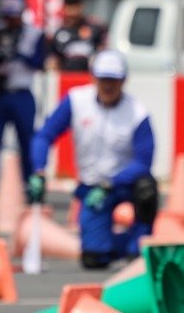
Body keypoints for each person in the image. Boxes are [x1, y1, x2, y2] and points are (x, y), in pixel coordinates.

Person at [28, 49, 156, 269]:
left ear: (123, 81)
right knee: (94, 259)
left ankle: (139, 243)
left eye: (113, 80)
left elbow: (143, 160)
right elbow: (45, 135)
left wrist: (112, 183)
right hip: (92, 188)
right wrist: (39, 169)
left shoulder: (136, 112)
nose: (108, 86)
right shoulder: (76, 101)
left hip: (123, 183)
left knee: (147, 189)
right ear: (94, 78)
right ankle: (114, 246)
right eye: (103, 79)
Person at [0, 0, 45, 194]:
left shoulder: (34, 34)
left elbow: (39, 63)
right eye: (6, 17)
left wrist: (18, 53)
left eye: (13, 17)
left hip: (21, 93)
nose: (10, 21)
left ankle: (28, 184)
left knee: (26, 141)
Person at [48, 0, 108, 74]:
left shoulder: (96, 28)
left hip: (90, 78)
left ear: (81, 6)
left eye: (75, 8)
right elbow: (54, 60)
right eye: (69, 8)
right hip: (67, 79)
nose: (72, 13)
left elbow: (104, 53)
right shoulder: (58, 32)